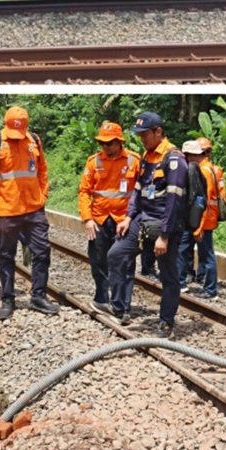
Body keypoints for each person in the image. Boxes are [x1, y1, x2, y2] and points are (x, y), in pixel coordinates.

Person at [106, 112, 188, 337]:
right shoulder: (147, 156)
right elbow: (138, 190)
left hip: (165, 225)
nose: (142, 139)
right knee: (116, 254)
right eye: (140, 135)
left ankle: (166, 323)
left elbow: (175, 201)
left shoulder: (174, 159)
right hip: (142, 221)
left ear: (158, 132)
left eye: (145, 135)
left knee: (168, 276)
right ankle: (118, 307)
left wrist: (164, 236)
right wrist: (128, 217)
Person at [0, 106, 60, 320]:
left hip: (34, 210)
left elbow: (42, 170)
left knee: (42, 252)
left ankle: (38, 296)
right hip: (6, 211)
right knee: (6, 255)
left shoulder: (34, 140)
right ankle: (8, 299)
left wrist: (42, 195)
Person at [77, 122, 141, 318]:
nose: (105, 146)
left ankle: (123, 305)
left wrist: (134, 218)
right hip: (99, 220)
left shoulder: (134, 161)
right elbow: (84, 192)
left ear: (120, 142)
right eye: (102, 143)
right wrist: (87, 219)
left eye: (110, 143)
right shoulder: (93, 162)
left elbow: (140, 192)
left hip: (124, 220)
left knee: (124, 262)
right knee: (98, 261)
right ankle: (102, 299)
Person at [178, 140, 219, 300]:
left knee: (206, 255)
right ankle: (181, 282)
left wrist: (198, 227)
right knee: (183, 248)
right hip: (198, 219)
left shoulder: (204, 171)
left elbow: (203, 201)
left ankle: (210, 290)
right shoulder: (201, 168)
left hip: (203, 221)